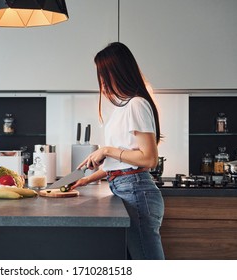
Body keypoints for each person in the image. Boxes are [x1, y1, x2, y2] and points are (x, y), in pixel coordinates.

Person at [71, 42, 165, 260]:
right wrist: (86, 179)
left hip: (136, 191)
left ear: (118, 73)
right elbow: (124, 162)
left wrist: (106, 150)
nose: (101, 84)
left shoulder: (136, 104)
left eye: (104, 76)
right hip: (127, 188)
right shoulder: (123, 107)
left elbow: (149, 159)